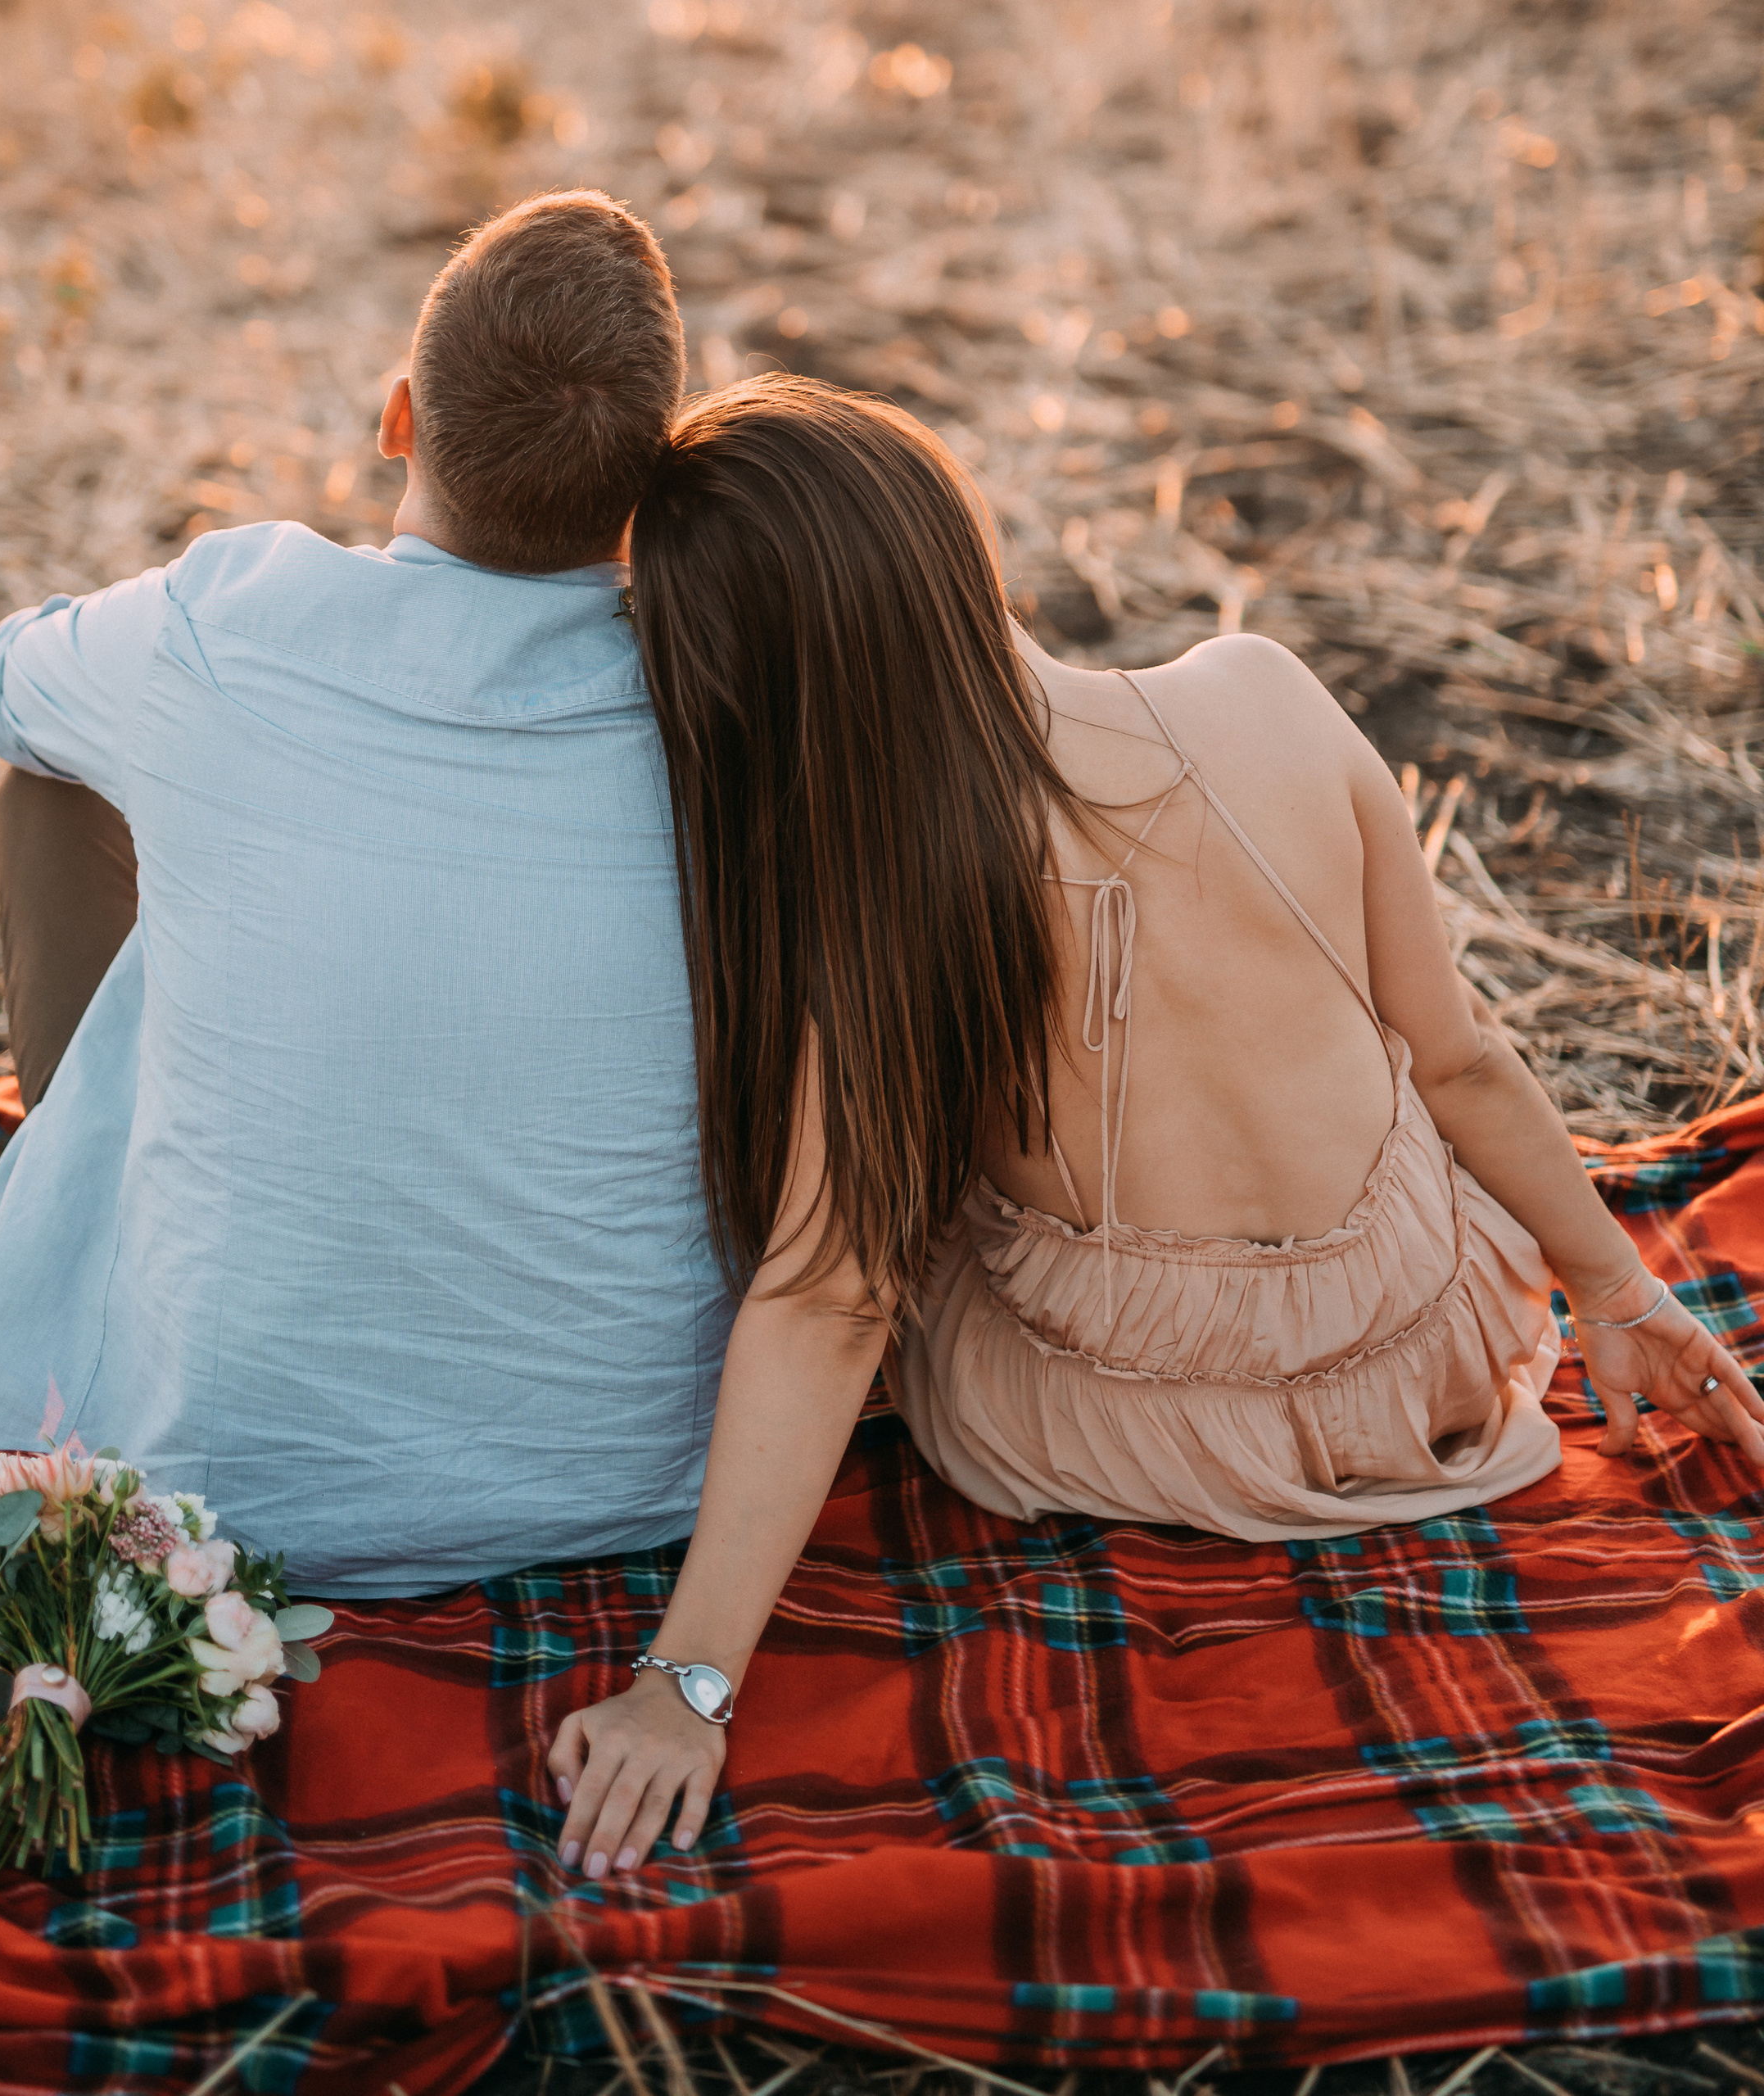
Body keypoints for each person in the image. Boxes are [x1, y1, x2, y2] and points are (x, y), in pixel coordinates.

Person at [548, 375, 1764, 1881]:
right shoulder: (1263, 690)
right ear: (952, 538)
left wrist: (689, 1682)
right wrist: (1618, 1289)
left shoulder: (885, 919)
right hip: (1419, 1358)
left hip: (1139, 1429)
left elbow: (828, 1299)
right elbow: (1464, 1069)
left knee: (908, 1261)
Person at [0, 192, 737, 1597]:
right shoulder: (731, 691)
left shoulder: (227, 620)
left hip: (225, 1484)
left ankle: (122, 1207)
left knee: (56, 784)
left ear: (396, 421)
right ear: (649, 481)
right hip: (641, 1478)